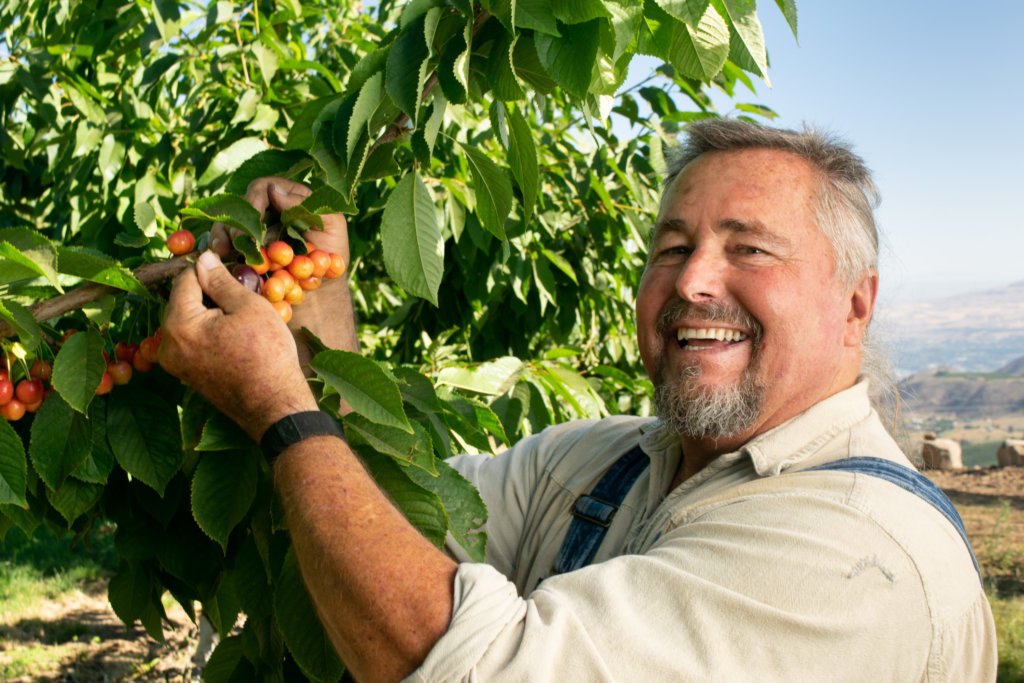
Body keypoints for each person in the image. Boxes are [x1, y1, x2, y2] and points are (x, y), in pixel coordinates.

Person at [159, 119, 997, 682]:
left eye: (750, 248)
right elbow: (387, 521)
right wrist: (318, 328)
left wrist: (278, 403)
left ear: (857, 303)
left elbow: (472, 664)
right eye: (672, 246)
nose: (694, 280)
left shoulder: (860, 556)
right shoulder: (604, 460)